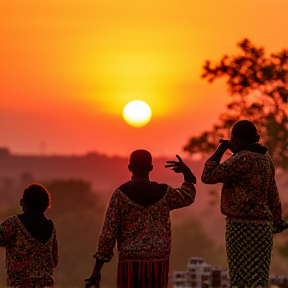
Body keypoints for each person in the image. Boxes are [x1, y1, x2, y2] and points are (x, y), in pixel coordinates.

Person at [85, 149, 196, 288]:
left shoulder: (120, 195)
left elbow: (108, 234)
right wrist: (186, 172)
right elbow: (188, 195)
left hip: (130, 265)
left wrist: (96, 270)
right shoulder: (165, 193)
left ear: (130, 168)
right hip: (158, 264)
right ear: (151, 168)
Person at [201, 120, 288, 288]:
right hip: (262, 229)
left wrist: (221, 148)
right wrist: (276, 220)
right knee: (259, 280)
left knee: (240, 279)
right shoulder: (266, 160)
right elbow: (272, 193)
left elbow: (208, 175)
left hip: (241, 228)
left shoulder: (243, 159)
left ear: (237, 140)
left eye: (232, 137)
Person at [0, 183, 58, 288]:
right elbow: (54, 261)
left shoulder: (14, 224)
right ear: (46, 205)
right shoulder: (50, 226)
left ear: (24, 203)